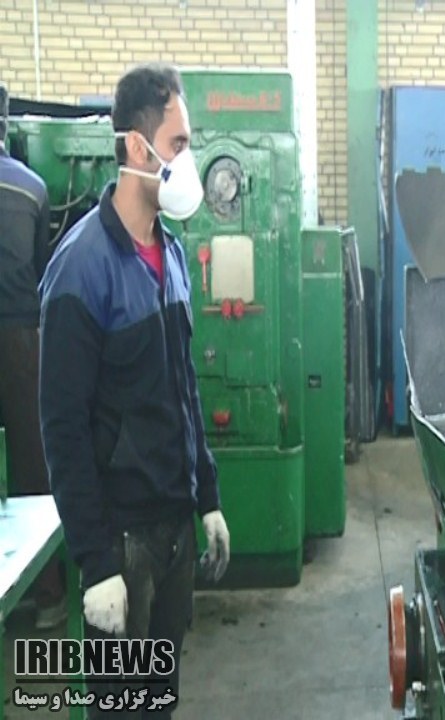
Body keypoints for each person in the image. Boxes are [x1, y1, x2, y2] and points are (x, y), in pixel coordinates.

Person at [39, 64, 230, 717]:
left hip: (173, 528)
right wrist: (95, 564)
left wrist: (207, 497)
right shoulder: (80, 269)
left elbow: (184, 388)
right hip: (121, 542)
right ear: (136, 148)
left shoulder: (172, 256)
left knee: (160, 702)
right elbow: (62, 429)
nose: (187, 161)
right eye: (179, 145)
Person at [0, 81, 67, 629]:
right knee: (32, 463)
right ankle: (49, 593)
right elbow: (42, 268)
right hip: (23, 338)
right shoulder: (34, 187)